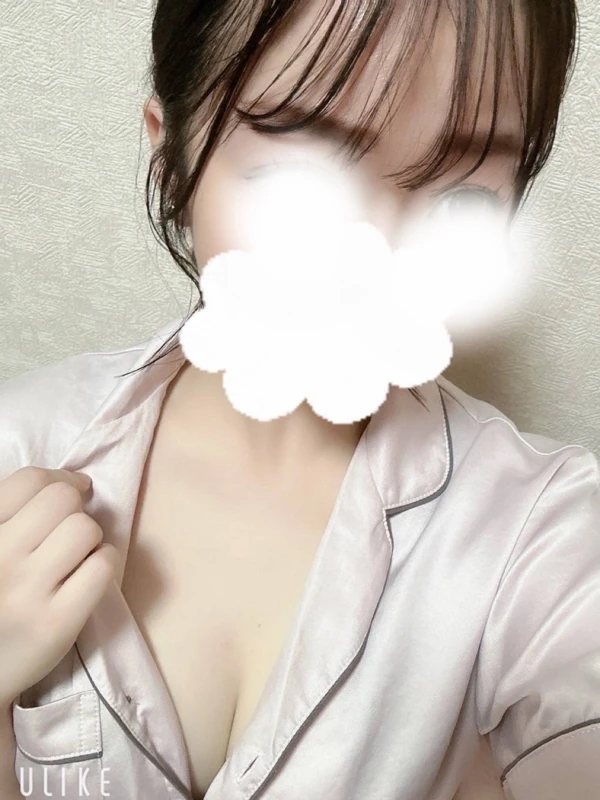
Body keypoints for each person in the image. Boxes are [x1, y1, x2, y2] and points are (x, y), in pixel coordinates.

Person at [1, 1, 598, 799]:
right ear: (172, 160)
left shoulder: (544, 533)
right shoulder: (20, 445)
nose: (372, 254)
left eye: (460, 199)